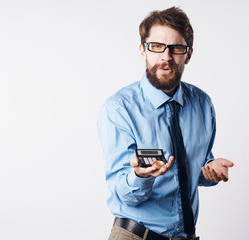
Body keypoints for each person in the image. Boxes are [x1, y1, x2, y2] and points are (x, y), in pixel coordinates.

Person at [97, 6, 234, 240]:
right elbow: (124, 194)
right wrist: (141, 176)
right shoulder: (119, 109)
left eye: (176, 48)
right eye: (157, 47)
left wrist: (208, 171)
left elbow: (189, 170)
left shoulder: (202, 104)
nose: (166, 57)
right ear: (143, 50)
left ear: (188, 54)